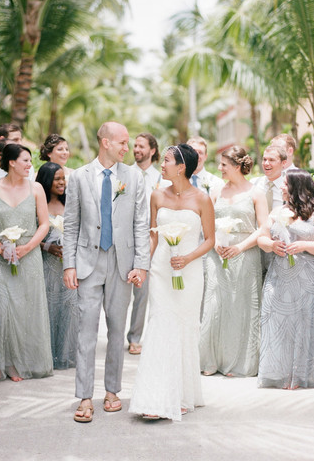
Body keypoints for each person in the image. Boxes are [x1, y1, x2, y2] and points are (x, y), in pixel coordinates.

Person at [63, 122, 150, 423]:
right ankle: (85, 397)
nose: (128, 149)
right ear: (105, 142)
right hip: (87, 261)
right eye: (123, 143)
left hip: (122, 263)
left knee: (116, 330)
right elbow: (70, 223)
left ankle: (112, 391)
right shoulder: (79, 177)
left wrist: (141, 263)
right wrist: (69, 264)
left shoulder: (134, 176)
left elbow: (141, 222)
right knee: (85, 332)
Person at [129, 144, 215, 421]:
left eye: (165, 160)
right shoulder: (156, 195)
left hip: (189, 272)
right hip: (161, 270)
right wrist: (142, 267)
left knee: (184, 327)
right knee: (160, 323)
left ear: (181, 167)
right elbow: (152, 236)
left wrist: (188, 257)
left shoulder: (202, 199)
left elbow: (210, 240)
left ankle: (180, 395)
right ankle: (154, 395)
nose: (161, 164)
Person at [257, 169, 314, 390]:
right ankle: (281, 373)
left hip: (310, 277)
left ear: (297, 187)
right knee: (279, 320)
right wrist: (271, 245)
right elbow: (262, 237)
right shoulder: (277, 211)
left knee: (307, 322)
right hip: (280, 275)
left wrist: (305, 245)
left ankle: (304, 375)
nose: (281, 186)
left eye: (285, 183)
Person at [0, 144, 53, 381]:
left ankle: (17, 364)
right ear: (11, 162)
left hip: (29, 254)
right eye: (25, 160)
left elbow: (44, 223)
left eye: (30, 160)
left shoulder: (37, 188)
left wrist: (27, 247)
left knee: (26, 308)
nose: (29, 165)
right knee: (1, 310)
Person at [200, 146, 268, 377]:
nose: (219, 169)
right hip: (217, 254)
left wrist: (239, 247)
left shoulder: (256, 193)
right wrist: (216, 240)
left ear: (237, 167)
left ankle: (238, 363)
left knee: (241, 306)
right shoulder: (217, 191)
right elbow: (206, 222)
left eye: (224, 165)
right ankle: (211, 360)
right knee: (215, 305)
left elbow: (264, 228)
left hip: (245, 254)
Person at [36, 162, 80, 369]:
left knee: (69, 308)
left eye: (63, 178)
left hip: (69, 264)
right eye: (57, 179)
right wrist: (47, 247)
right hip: (46, 265)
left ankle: (66, 354)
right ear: (46, 181)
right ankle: (45, 355)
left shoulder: (71, 202)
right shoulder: (38, 203)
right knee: (48, 308)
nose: (62, 183)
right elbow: (29, 236)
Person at [127, 132, 162, 355]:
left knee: (142, 293)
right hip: (124, 239)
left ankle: (135, 338)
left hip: (150, 240)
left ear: (152, 150)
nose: (137, 149)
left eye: (141, 146)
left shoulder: (161, 179)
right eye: (135, 146)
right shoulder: (124, 174)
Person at [252, 146, 287, 213]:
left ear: (283, 163)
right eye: (264, 159)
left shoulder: (290, 187)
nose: (266, 163)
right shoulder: (253, 184)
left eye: (271, 160)